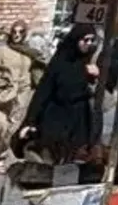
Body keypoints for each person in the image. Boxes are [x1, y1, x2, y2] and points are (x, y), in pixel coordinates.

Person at [23, 26, 103, 161]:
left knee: (76, 157)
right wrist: (31, 121)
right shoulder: (59, 63)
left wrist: (95, 78)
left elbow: (101, 94)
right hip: (57, 118)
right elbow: (43, 92)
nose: (88, 44)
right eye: (85, 40)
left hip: (81, 120)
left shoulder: (90, 63)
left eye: (91, 40)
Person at [0, 24, 44, 173]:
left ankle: (1, 158)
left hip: (22, 94)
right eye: (14, 31)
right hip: (2, 93)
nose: (17, 34)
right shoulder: (0, 51)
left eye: (21, 32)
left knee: (11, 130)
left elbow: (41, 68)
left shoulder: (29, 52)